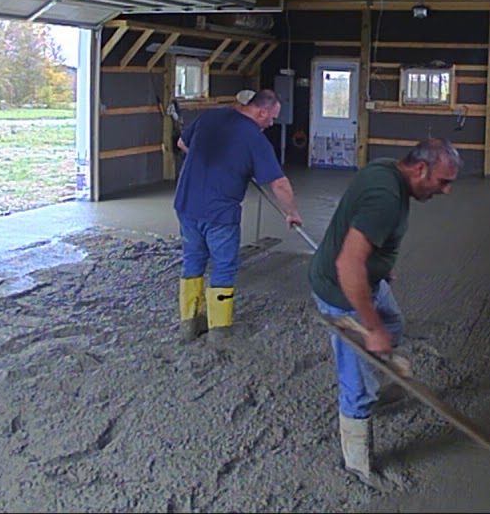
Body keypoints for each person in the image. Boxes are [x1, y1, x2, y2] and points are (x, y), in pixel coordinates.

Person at [307, 138, 462, 484]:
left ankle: (379, 382)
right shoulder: (386, 199)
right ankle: (358, 465)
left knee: (392, 324)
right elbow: (349, 263)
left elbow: (357, 231)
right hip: (341, 290)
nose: (446, 191)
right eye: (443, 181)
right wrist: (370, 327)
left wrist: (379, 265)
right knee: (358, 378)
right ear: (420, 169)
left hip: (367, 279)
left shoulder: (385, 168)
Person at [174, 89, 302, 341]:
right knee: (223, 266)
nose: (272, 123)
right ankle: (219, 329)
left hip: (187, 204)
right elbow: (279, 184)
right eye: (272, 117)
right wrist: (292, 213)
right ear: (261, 111)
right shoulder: (254, 138)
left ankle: (189, 324)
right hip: (220, 213)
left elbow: (182, 144)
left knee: (193, 261)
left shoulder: (211, 116)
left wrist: (213, 164)